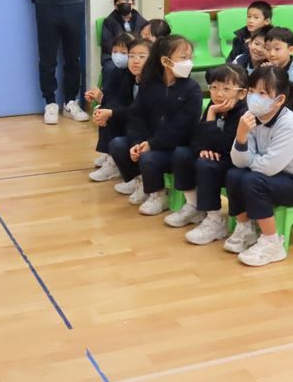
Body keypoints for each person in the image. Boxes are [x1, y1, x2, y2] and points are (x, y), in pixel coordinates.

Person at [224, 66, 293, 266]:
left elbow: (268, 167)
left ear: (279, 100)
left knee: (252, 179)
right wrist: (241, 136)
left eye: (262, 93)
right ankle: (246, 229)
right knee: (234, 174)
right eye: (251, 91)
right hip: (272, 175)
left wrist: (250, 160)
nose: (254, 97)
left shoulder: (288, 124)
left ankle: (272, 243)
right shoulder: (250, 116)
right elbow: (238, 161)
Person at [110, 35, 202, 216]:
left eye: (190, 58)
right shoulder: (149, 85)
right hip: (150, 142)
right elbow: (136, 117)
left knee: (149, 158)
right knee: (118, 145)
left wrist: (152, 144)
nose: (188, 63)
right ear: (165, 61)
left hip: (176, 148)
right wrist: (137, 142)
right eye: (183, 58)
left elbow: (182, 127)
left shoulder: (192, 89)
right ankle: (142, 182)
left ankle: (158, 195)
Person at [165, 64, 249, 236]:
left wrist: (211, 116)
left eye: (226, 89)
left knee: (206, 164)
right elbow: (196, 135)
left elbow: (226, 145)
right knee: (182, 154)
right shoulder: (215, 105)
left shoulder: (243, 112)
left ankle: (215, 220)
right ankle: (193, 206)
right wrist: (202, 148)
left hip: (234, 162)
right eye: (214, 87)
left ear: (242, 93)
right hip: (216, 155)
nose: (219, 94)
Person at [87, 32, 143, 181]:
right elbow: (116, 98)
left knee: (111, 115)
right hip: (128, 113)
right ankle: (109, 154)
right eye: (115, 51)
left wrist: (109, 110)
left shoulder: (135, 75)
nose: (118, 56)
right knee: (105, 110)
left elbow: (134, 107)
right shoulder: (115, 71)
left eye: (124, 53)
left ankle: (113, 162)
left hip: (138, 120)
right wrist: (100, 101)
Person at [100, 0, 147, 88]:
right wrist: (122, 52)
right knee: (110, 69)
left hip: (135, 55)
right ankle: (108, 95)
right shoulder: (109, 22)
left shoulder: (143, 22)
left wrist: (131, 55)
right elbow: (107, 45)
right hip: (114, 56)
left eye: (127, 1)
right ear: (115, 5)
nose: (124, 4)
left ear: (133, 3)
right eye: (120, 2)